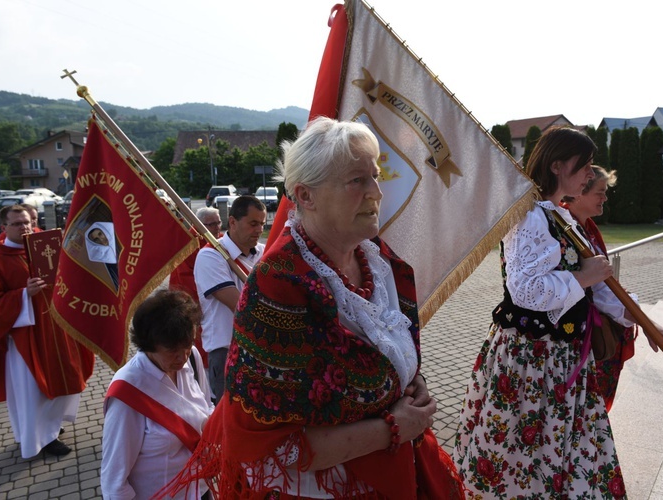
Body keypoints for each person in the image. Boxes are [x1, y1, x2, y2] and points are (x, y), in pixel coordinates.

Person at [161, 117, 464, 499]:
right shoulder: (278, 286)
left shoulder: (379, 260)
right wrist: (394, 426)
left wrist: (412, 385)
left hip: (397, 467)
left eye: (375, 176)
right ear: (305, 196)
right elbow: (276, 446)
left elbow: (393, 353)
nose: (376, 193)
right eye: (357, 180)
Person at [452, 127, 663, 498]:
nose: (590, 175)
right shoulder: (529, 217)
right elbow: (524, 290)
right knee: (521, 461)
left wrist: (648, 323)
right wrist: (582, 276)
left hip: (563, 361)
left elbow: (600, 291)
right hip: (529, 362)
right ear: (557, 166)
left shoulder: (561, 217)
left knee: (575, 456)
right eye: (585, 166)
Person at [0, 205, 95, 458]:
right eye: (18, 223)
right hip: (25, 339)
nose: (26, 227)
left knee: (64, 378)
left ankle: (51, 428)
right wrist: (23, 294)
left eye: (29, 221)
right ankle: (40, 439)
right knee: (33, 390)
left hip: (55, 328)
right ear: (3, 228)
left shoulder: (43, 246)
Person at [101, 289, 214, 499]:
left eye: (188, 344)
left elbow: (206, 408)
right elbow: (114, 480)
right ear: (148, 345)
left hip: (200, 488)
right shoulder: (127, 392)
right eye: (172, 350)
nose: (183, 356)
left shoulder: (192, 358)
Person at [563, 166, 636, 411]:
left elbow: (603, 284)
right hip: (578, 336)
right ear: (579, 192)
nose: (605, 198)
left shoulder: (587, 228)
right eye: (600, 192)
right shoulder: (566, 229)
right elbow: (593, 290)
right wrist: (633, 313)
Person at [193, 195, 266, 403]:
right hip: (227, 352)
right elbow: (241, 306)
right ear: (233, 222)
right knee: (229, 420)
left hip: (259, 351)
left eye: (262, 224)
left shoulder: (263, 253)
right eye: (253, 223)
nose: (259, 230)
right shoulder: (210, 256)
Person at [169, 207, 223, 365]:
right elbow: (184, 280)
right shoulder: (189, 243)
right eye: (212, 224)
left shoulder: (218, 239)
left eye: (218, 222)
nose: (217, 227)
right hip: (198, 305)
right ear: (199, 224)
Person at [85, 221, 119, 289]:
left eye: (100, 234)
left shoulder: (120, 241)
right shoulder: (104, 259)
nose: (101, 239)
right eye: (96, 239)